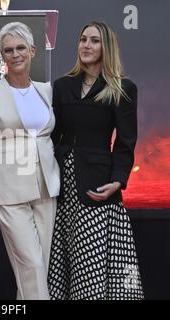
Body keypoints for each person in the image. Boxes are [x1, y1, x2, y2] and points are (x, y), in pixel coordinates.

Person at [48, 21, 144, 300]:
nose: (86, 45)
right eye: (82, 39)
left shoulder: (123, 88)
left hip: (98, 186)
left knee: (90, 260)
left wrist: (118, 181)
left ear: (107, 47)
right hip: (61, 187)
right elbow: (52, 136)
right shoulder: (62, 86)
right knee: (62, 258)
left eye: (94, 41)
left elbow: (126, 142)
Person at [0, 22, 60, 300]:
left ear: (32, 51)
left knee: (38, 267)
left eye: (21, 48)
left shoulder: (47, 91)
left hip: (46, 186)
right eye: (8, 50)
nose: (15, 54)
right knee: (30, 263)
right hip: (8, 190)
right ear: (1, 55)